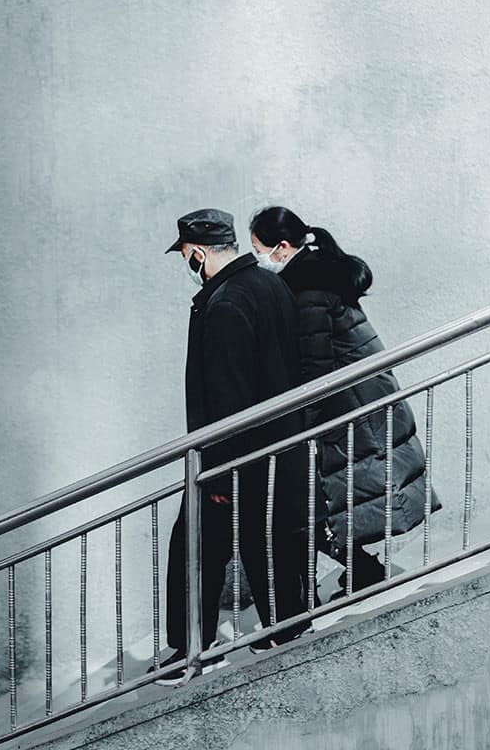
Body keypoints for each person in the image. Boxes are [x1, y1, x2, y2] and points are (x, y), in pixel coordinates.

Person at [153, 208, 311, 683]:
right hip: (278, 446)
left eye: (185, 253)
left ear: (197, 252)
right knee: (269, 538)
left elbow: (227, 395)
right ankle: (288, 625)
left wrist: (219, 472)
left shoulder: (223, 305)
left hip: (231, 457)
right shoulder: (269, 285)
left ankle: (191, 651)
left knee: (194, 547)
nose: (186, 261)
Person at [249, 205, 440, 596]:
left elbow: (317, 366)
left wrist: (303, 426)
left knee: (317, 501)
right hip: (361, 402)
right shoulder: (317, 273)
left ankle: (363, 571)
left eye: (259, 250)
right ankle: (363, 570)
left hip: (349, 409)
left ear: (282, 247)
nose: (258, 260)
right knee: (328, 500)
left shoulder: (307, 291)